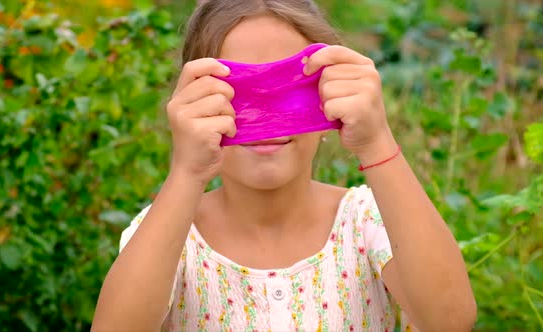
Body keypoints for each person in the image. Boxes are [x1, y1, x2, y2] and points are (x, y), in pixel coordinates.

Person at [92, 1, 477, 331]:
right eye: (237, 95)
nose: (265, 117)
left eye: (292, 93)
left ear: (331, 99)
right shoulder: (167, 235)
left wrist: (377, 142)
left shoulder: (371, 222)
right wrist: (187, 172)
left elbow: (450, 319)